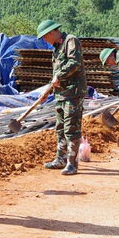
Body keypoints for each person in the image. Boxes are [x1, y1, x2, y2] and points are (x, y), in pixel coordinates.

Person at [37, 19, 87, 175]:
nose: (45, 40)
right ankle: (61, 159)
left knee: (71, 128)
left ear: (52, 32)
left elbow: (74, 62)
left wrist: (59, 75)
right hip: (60, 95)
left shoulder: (70, 41)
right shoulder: (56, 48)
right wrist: (47, 91)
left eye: (45, 37)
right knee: (60, 129)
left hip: (73, 93)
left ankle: (72, 163)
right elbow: (56, 76)